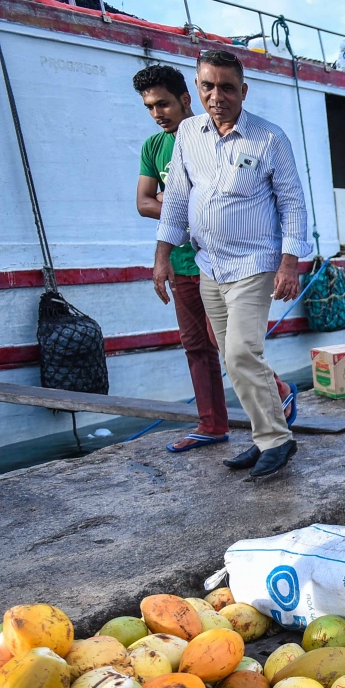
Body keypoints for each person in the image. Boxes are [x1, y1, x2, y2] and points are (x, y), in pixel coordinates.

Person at [155, 49, 309, 481]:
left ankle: (278, 440)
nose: (217, 95)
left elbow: (292, 202)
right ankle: (265, 438)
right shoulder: (187, 133)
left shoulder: (269, 138)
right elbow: (178, 200)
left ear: (243, 90)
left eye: (226, 86)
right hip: (210, 265)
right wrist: (162, 256)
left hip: (255, 263)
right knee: (231, 355)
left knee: (243, 351)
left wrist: (288, 263)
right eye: (208, 86)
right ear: (197, 89)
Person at [133, 64, 227, 455]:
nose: (158, 113)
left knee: (227, 342)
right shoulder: (153, 147)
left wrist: (174, 205)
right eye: (150, 107)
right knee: (194, 345)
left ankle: (279, 393)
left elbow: (225, 199)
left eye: (164, 104)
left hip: (218, 259)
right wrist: (183, 213)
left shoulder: (211, 136)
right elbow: (142, 202)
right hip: (181, 261)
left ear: (186, 99)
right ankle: (211, 424)